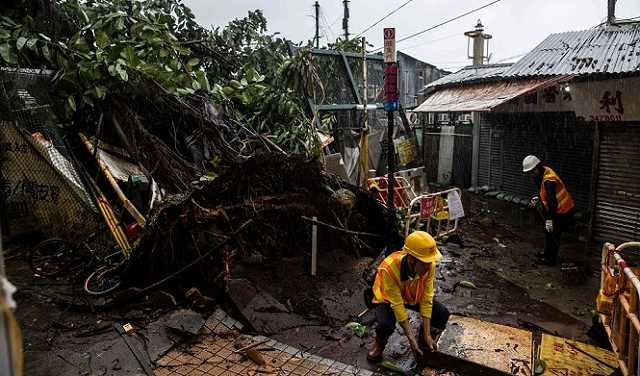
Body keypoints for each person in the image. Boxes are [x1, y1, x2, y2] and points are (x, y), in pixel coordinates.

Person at [367, 231, 449, 363]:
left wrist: (427, 333)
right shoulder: (389, 268)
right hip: (388, 299)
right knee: (384, 325)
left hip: (411, 296)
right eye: (425, 262)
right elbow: (397, 305)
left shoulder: (429, 266)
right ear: (411, 259)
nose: (429, 266)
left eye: (430, 262)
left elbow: (427, 299)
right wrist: (410, 337)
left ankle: (424, 342)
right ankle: (379, 344)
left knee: (442, 313)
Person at [522, 155, 575, 265]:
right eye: (529, 173)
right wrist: (539, 197)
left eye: (532, 171)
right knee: (547, 231)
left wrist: (550, 220)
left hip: (563, 209)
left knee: (554, 233)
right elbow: (544, 191)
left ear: (538, 167)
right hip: (554, 208)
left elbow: (552, 202)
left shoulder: (549, 180)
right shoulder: (544, 171)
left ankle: (551, 259)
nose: (531, 174)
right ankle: (547, 253)